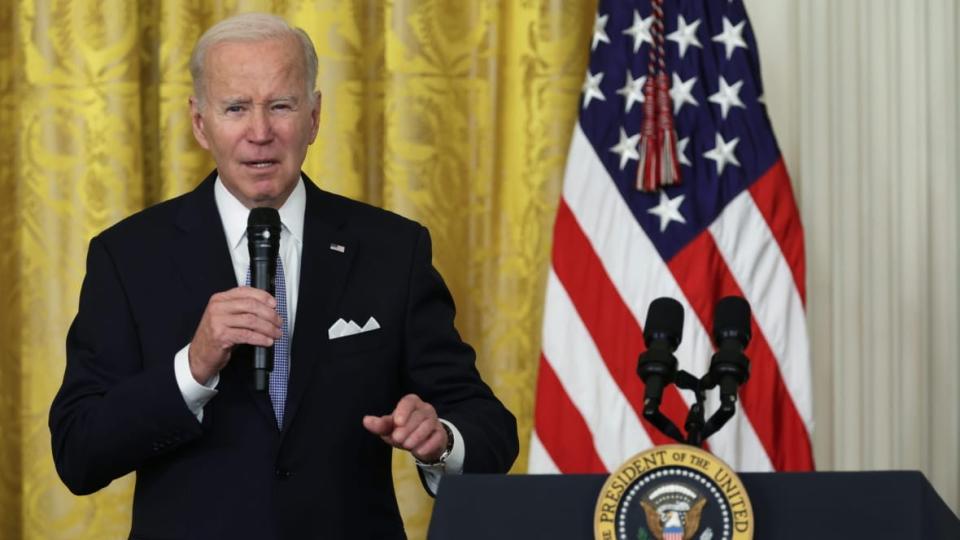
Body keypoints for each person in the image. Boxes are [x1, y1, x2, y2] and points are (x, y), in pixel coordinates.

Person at [49, 12, 518, 539]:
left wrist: (443, 441)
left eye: (280, 106)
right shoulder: (129, 256)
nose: (260, 133)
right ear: (200, 123)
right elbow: (78, 452)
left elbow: (489, 426)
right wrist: (192, 369)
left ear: (314, 116)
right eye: (235, 108)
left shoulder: (392, 249)